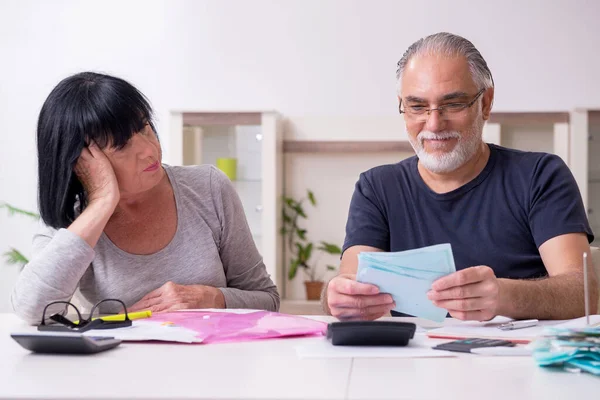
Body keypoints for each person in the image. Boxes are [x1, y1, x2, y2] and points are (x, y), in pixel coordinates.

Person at [324, 32, 598, 321]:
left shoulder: (540, 176)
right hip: (413, 360)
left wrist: (505, 297)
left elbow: (583, 295)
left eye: (453, 104)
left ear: (486, 103)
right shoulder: (376, 188)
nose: (434, 123)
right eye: (417, 106)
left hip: (519, 360)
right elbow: (350, 282)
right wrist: (337, 294)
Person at [11, 72, 279, 324]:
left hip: (213, 363)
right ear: (82, 162)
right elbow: (32, 310)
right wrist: (103, 202)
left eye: (144, 128)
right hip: (119, 368)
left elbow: (267, 299)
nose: (149, 150)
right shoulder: (73, 219)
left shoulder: (208, 188)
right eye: (121, 145)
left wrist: (212, 298)